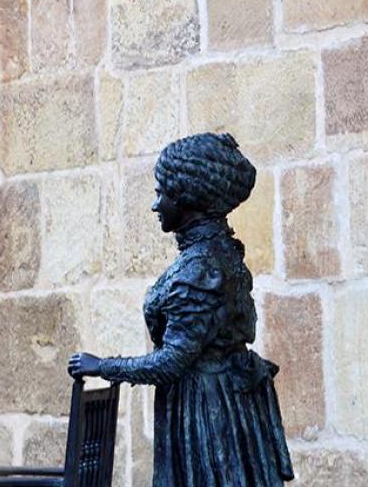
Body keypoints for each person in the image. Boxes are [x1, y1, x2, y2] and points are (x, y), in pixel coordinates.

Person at [68, 132, 294, 487]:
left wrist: (103, 366)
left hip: (206, 412)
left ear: (187, 198)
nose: (156, 205)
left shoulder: (198, 269)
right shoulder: (220, 252)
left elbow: (171, 363)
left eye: (162, 193)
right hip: (224, 404)